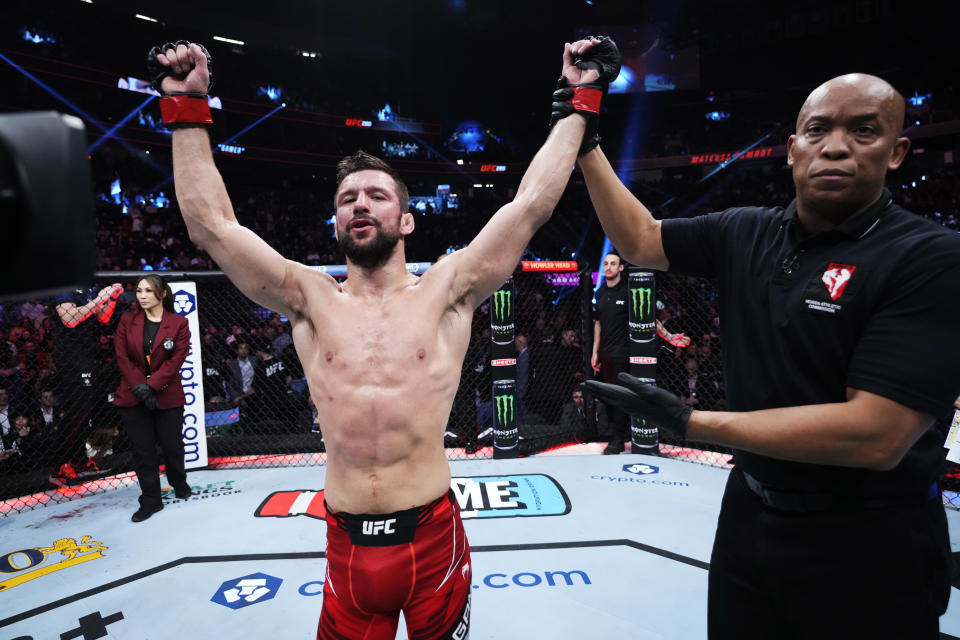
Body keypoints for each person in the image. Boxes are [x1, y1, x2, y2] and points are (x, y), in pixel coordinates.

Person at [150, 35, 619, 639]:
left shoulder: (447, 289)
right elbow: (211, 226)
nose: (359, 204)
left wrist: (581, 97)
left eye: (376, 195)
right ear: (336, 220)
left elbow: (530, 204)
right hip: (347, 547)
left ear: (406, 219)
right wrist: (187, 108)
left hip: (433, 539)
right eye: (347, 198)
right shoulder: (307, 297)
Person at [584, 73, 960, 638]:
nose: (835, 145)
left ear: (897, 151)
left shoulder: (930, 257)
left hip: (870, 536)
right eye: (818, 130)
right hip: (749, 515)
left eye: (863, 130)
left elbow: (876, 435)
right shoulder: (746, 230)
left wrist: (690, 421)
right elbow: (640, 239)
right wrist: (585, 139)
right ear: (792, 150)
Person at [113, 275, 192, 522]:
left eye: (148, 290)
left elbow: (175, 360)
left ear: (163, 294)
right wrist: (140, 387)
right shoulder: (127, 321)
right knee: (143, 451)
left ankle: (179, 481)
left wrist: (152, 386)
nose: (142, 295)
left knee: (172, 446)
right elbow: (122, 357)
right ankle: (151, 500)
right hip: (133, 395)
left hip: (166, 393)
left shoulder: (179, 323)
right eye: (139, 290)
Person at [48, 282, 123, 487]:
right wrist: (101, 298)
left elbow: (103, 317)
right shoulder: (62, 286)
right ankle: (58, 466)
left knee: (85, 410)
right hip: (70, 356)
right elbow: (70, 319)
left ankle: (79, 461)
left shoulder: (87, 285)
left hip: (86, 354)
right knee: (76, 411)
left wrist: (112, 297)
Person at [590, 250, 631, 453]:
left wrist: (668, 335)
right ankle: (618, 434)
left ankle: (617, 439)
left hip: (623, 352)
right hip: (605, 352)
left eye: (613, 263)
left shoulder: (628, 290)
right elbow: (598, 324)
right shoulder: (600, 292)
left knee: (620, 396)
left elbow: (647, 316)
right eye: (605, 263)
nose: (608, 267)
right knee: (606, 395)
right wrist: (595, 351)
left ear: (621, 267)